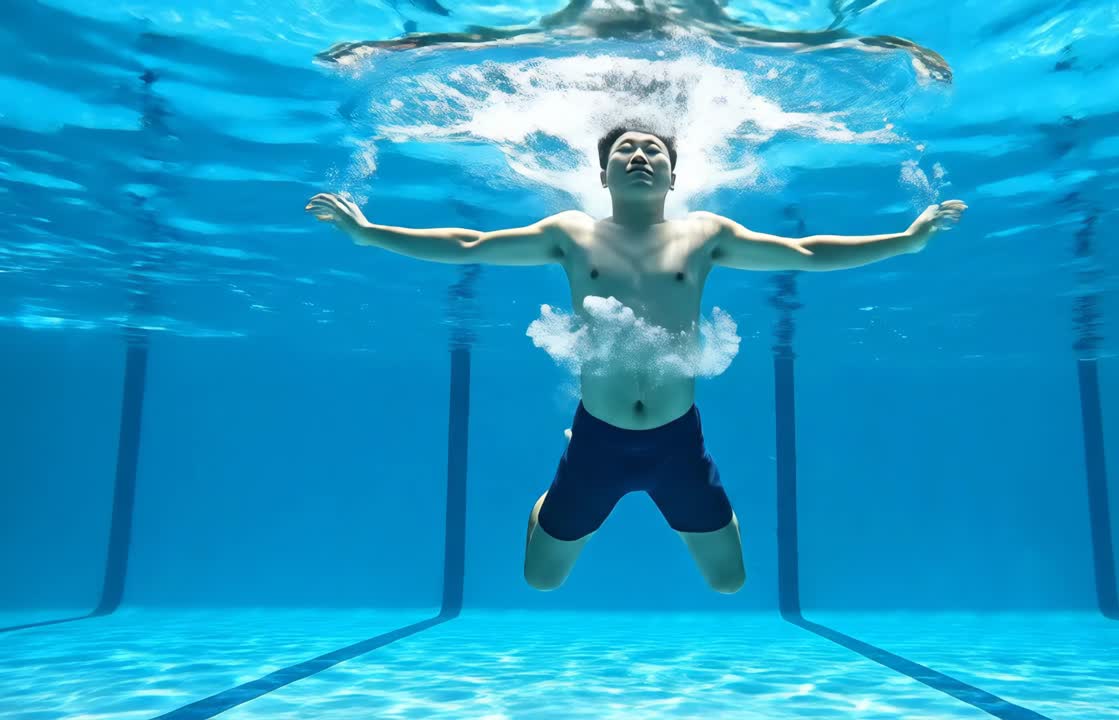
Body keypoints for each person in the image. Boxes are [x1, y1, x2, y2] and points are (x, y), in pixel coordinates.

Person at [305, 126, 966, 594]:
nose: (641, 155)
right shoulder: (571, 233)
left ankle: (707, 509)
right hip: (597, 442)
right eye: (627, 149)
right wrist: (368, 233)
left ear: (674, 174)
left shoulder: (706, 234)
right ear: (604, 173)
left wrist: (906, 242)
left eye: (654, 150)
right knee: (541, 581)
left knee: (730, 583)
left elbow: (807, 253)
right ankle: (546, 504)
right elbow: (470, 241)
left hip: (679, 443)